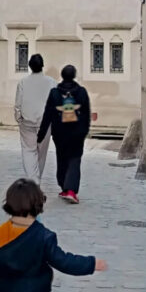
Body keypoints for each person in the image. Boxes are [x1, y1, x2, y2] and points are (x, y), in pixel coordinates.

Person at [37, 64, 90, 204]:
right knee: (75, 159)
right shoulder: (82, 92)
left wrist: (41, 134)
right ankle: (71, 190)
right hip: (76, 132)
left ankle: (65, 187)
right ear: (74, 75)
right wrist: (84, 131)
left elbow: (47, 114)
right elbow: (86, 114)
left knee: (61, 157)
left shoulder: (54, 93)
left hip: (60, 132)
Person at [14, 53, 55, 185]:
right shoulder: (51, 82)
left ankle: (33, 180)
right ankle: (36, 180)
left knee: (28, 151)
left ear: (30, 66)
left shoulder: (23, 82)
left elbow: (18, 105)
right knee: (41, 154)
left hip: (27, 123)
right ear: (42, 66)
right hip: (45, 124)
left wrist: (19, 119)